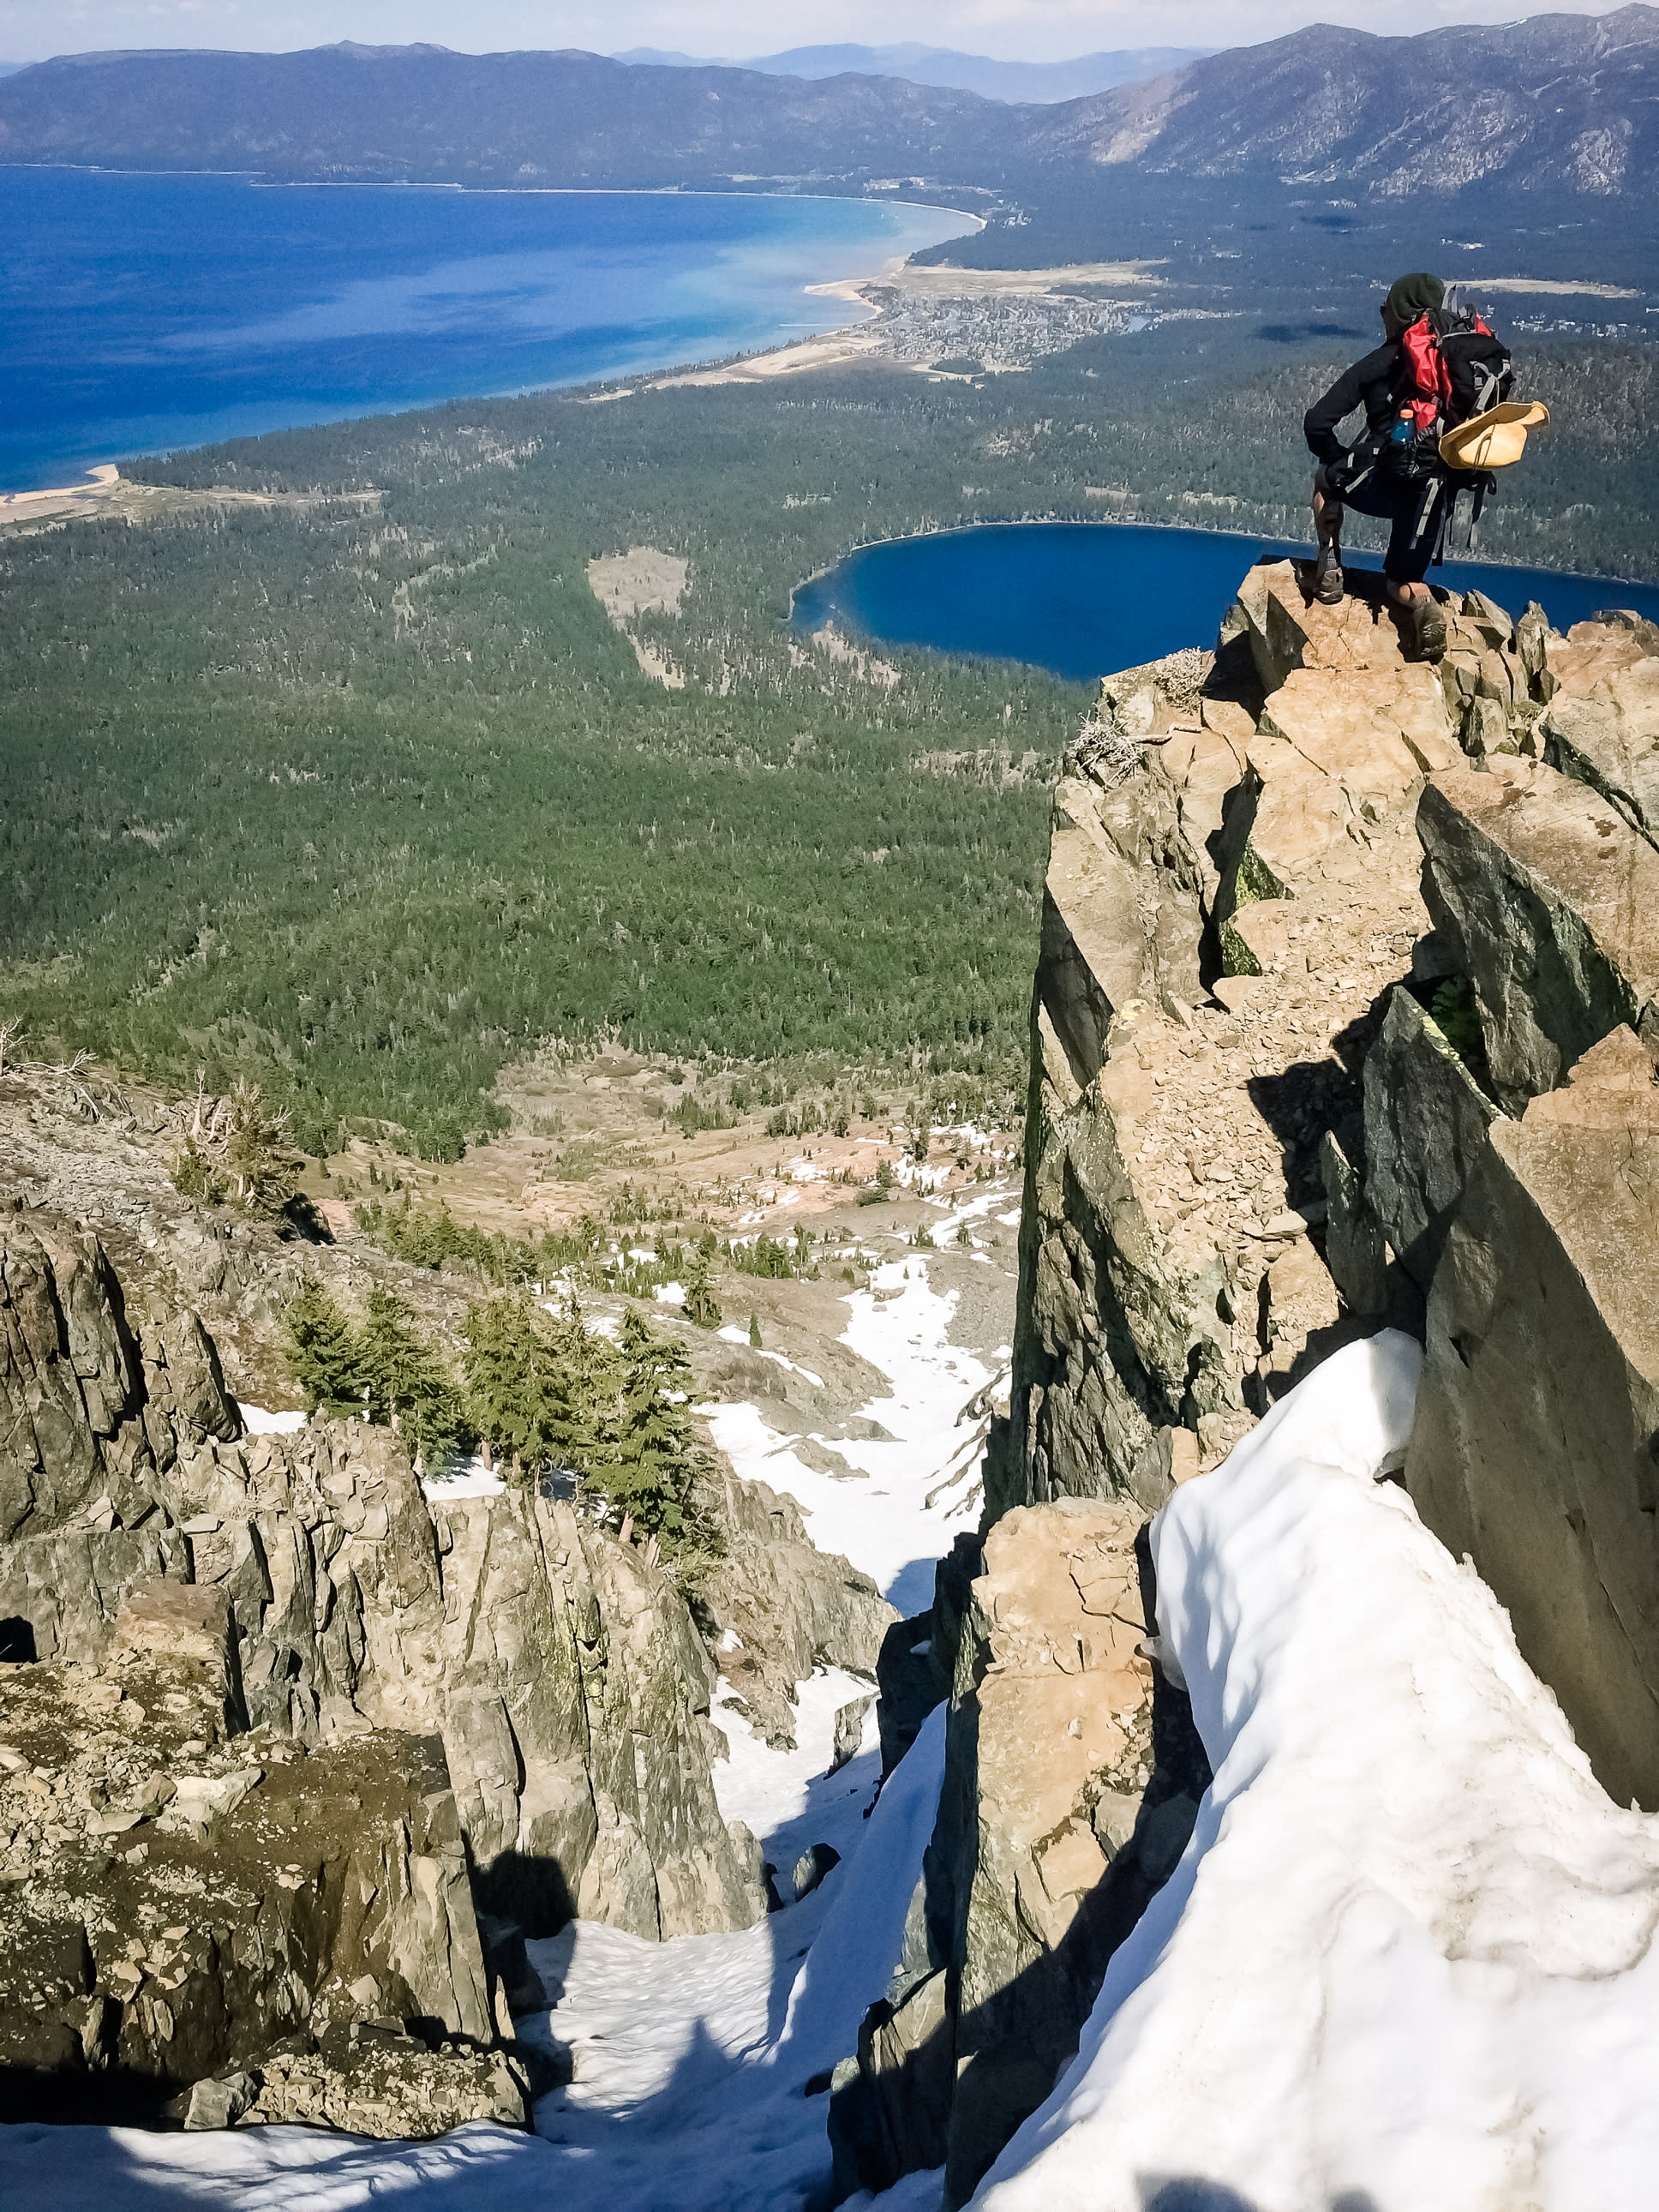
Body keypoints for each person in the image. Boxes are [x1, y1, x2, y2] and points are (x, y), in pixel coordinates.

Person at [1303, 272, 1450, 662]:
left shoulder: (1379, 363)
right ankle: (1424, 606)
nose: (1382, 317)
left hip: (1381, 480)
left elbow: (1317, 423)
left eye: (1386, 310)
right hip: (1432, 494)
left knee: (1324, 477)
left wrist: (1336, 459)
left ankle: (1330, 566)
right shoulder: (1452, 364)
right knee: (1402, 580)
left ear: (1398, 313)